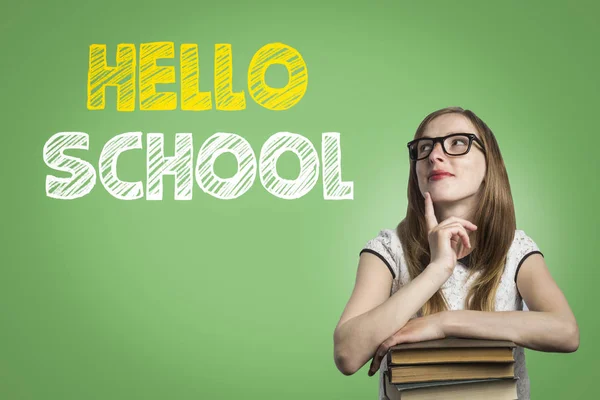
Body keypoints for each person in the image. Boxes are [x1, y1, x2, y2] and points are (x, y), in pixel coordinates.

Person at [332, 106, 579, 400]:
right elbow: (347, 354)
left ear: (490, 165)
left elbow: (565, 331)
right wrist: (436, 270)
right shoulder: (388, 249)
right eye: (425, 147)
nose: (435, 156)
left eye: (458, 143)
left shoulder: (516, 249)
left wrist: (443, 323)